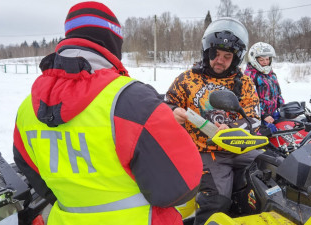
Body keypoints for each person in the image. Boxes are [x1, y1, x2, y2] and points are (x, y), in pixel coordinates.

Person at [13, 2, 202, 225]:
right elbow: (181, 187)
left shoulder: (27, 109)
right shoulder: (132, 100)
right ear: (113, 43)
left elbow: (32, 172)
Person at [164, 17, 262, 225]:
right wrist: (173, 112)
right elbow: (167, 104)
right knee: (217, 200)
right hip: (205, 151)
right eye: (215, 54)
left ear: (235, 58)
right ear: (206, 52)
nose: (220, 60)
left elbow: (254, 118)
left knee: (272, 173)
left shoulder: (244, 82)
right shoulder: (187, 79)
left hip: (240, 147)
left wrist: (233, 128)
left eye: (227, 56)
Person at [244, 42, 284, 131]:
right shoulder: (250, 75)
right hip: (258, 117)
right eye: (262, 60)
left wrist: (283, 107)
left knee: (287, 126)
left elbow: (278, 93)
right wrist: (264, 115)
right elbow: (249, 100)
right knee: (272, 132)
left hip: (273, 113)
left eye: (267, 59)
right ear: (255, 60)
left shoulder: (271, 74)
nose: (265, 62)